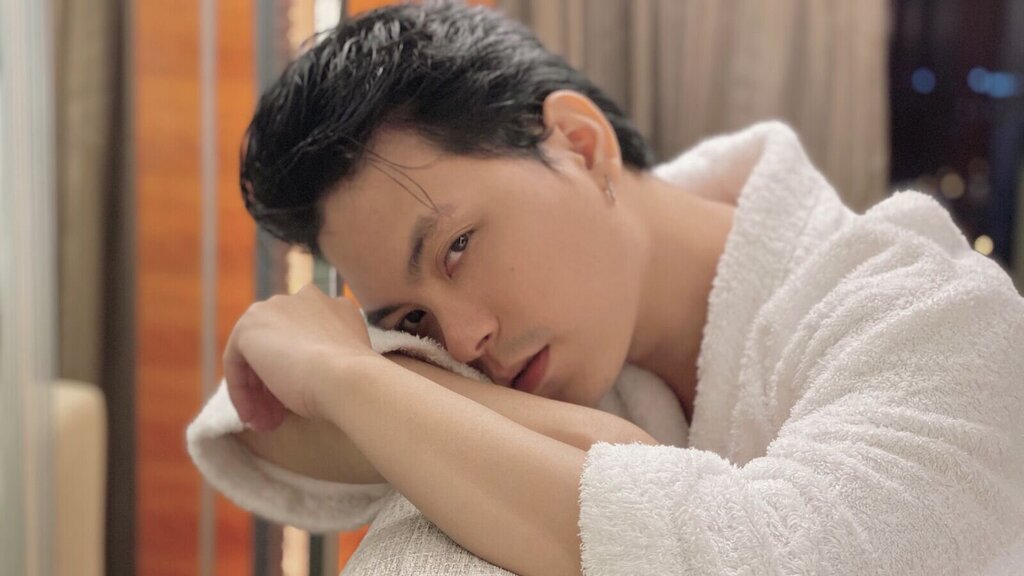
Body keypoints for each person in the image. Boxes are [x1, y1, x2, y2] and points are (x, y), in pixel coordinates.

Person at [187, 2, 1024, 575]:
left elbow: (773, 557)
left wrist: (352, 379)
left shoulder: (936, 315)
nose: (461, 341)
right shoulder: (566, 342)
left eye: (458, 247)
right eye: (409, 320)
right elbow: (262, 422)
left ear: (580, 146)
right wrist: (568, 432)